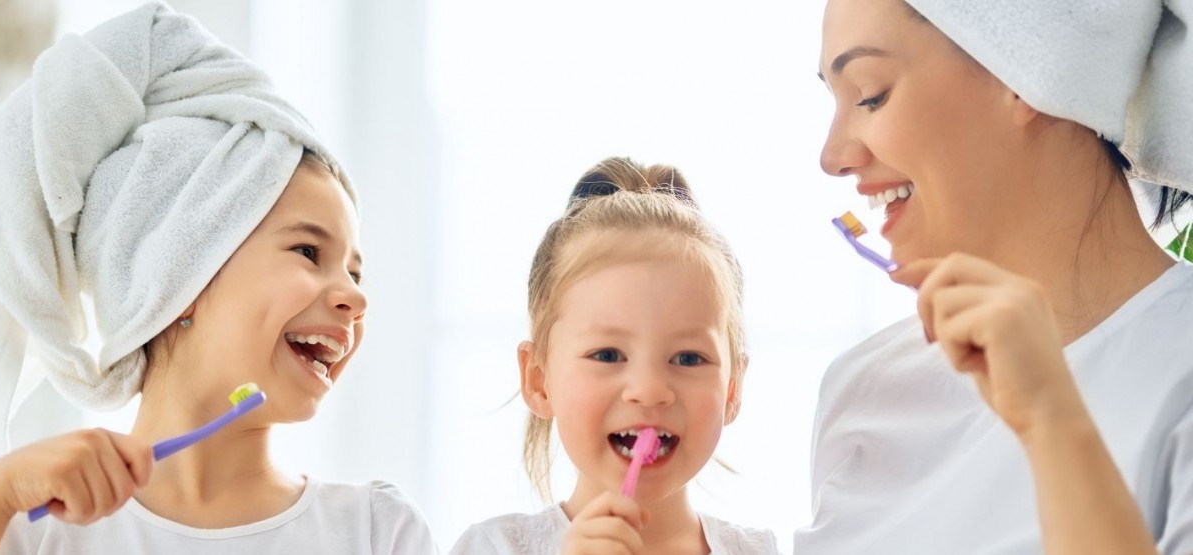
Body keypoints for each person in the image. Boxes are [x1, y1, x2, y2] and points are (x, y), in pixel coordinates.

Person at [0, 4, 437, 553]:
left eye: (356, 272)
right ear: (177, 277)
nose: (356, 297)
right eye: (309, 251)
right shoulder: (24, 527)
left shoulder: (376, 531)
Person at [800, 0, 1193, 552]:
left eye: (870, 94)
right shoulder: (862, 391)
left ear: (1025, 75)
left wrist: (1052, 422)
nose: (832, 156)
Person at [452, 158, 779, 554]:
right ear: (539, 379)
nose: (650, 390)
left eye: (689, 358)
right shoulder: (493, 547)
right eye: (607, 354)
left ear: (732, 387)